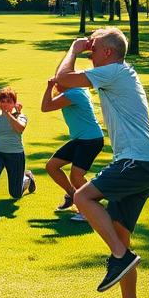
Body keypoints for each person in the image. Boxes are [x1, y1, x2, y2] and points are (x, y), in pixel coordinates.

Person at [54, 27, 149, 298]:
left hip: (136, 161)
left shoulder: (114, 71)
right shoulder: (118, 72)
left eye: (94, 46)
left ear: (108, 53)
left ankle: (119, 255)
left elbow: (63, 79)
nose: (89, 48)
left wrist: (73, 50)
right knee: (120, 234)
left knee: (82, 197)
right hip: (144, 163)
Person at [40, 75, 106, 222]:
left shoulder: (74, 94)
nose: (57, 84)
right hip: (81, 139)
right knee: (52, 166)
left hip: (90, 139)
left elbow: (45, 107)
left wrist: (49, 87)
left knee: (76, 175)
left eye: (59, 81)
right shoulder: (74, 92)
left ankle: (90, 208)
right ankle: (73, 196)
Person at [0, 87, 36, 206]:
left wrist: (10, 114)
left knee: (15, 194)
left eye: (9, 102)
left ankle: (28, 178)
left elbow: (20, 128)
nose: (4, 104)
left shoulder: (21, 116)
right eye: (2, 101)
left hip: (15, 155)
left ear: (14, 103)